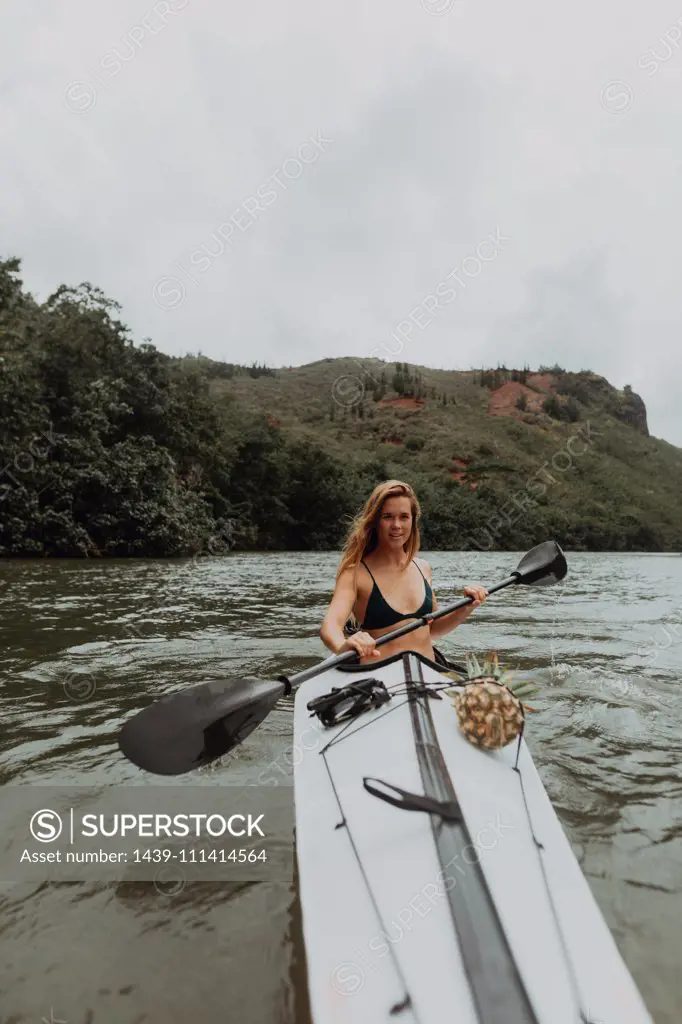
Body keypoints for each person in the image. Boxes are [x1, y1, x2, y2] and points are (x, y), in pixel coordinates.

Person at [319, 479, 488, 664]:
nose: (396, 525)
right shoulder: (355, 573)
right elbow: (330, 626)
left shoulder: (423, 568)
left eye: (404, 517)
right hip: (377, 680)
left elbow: (432, 629)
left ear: (413, 521)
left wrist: (465, 607)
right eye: (388, 517)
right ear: (375, 522)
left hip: (427, 673)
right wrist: (344, 646)